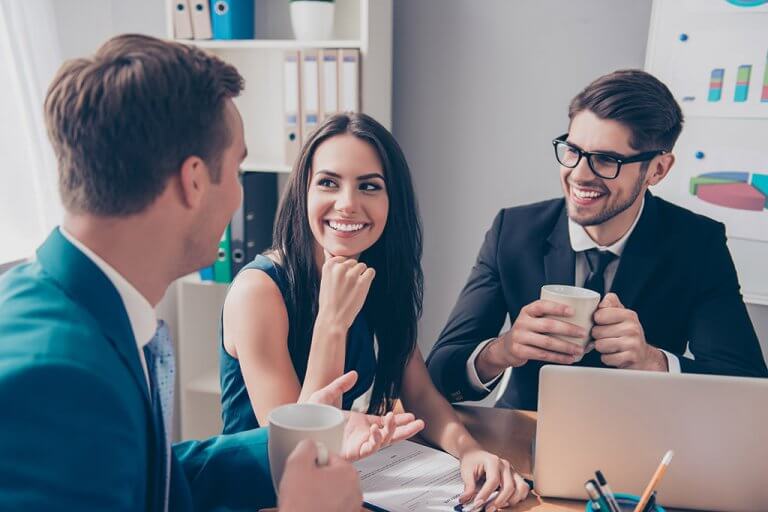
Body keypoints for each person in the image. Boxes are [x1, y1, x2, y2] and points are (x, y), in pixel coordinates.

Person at [0, 34, 409, 512]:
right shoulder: (54, 376)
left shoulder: (86, 308)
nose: (240, 198)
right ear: (194, 181)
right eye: (237, 171)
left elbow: (153, 474)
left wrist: (295, 437)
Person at [220, 112, 530, 511]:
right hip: (260, 496)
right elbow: (294, 453)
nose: (348, 204)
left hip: (337, 486)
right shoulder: (259, 290)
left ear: (391, 201)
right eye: (328, 183)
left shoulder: (375, 277)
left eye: (369, 186)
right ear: (304, 193)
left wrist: (469, 452)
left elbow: (418, 391)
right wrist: (332, 321)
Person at [426, 69, 768, 411]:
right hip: (523, 435)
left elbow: (747, 389)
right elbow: (438, 376)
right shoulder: (513, 231)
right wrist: (503, 350)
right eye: (572, 150)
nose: (579, 174)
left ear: (658, 170)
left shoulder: (697, 244)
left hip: (642, 444)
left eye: (607, 160)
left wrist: (653, 362)